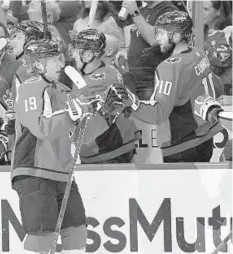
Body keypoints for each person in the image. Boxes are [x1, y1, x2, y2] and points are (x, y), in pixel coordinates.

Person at [11, 37, 100, 254]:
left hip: (63, 172)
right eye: (54, 60)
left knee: (77, 231)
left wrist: (100, 108)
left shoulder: (62, 89)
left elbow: (80, 125)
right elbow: (40, 127)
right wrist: (73, 112)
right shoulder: (29, 88)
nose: (61, 63)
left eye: (60, 58)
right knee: (42, 233)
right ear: (38, 64)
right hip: (35, 170)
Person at [108, 11, 225, 163]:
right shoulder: (198, 54)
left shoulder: (169, 68)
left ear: (176, 37)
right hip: (205, 137)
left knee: (179, 187)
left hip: (182, 144)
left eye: (161, 33)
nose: (157, 38)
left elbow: (158, 113)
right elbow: (217, 86)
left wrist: (130, 103)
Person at [71, 28, 141, 163]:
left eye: (76, 50)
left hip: (109, 149)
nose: (73, 55)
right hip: (96, 149)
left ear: (88, 54)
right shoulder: (85, 75)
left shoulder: (103, 77)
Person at [115, 1, 178, 100]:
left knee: (150, 115)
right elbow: (139, 37)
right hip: (134, 80)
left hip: (152, 81)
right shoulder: (142, 11)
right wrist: (127, 50)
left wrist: (135, 13)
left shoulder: (169, 11)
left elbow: (154, 39)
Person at [203, 1, 232, 95]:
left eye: (205, 9)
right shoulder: (200, 31)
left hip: (224, 91)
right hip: (204, 88)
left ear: (218, 11)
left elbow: (220, 61)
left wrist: (203, 48)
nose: (201, 13)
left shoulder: (228, 32)